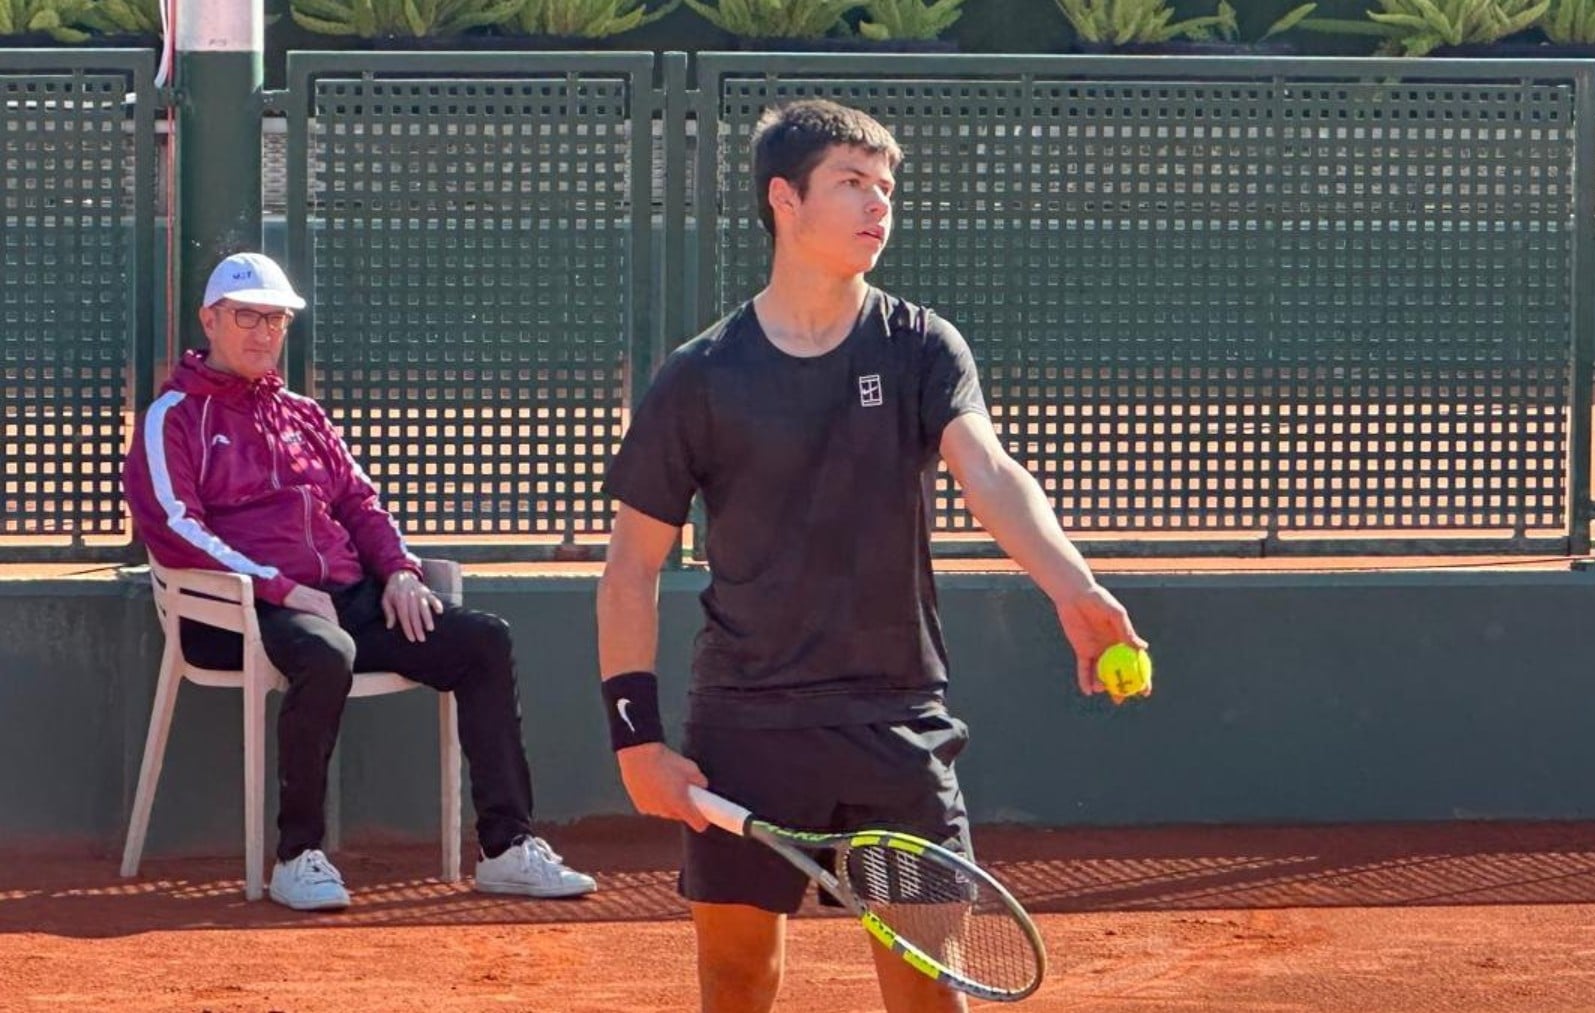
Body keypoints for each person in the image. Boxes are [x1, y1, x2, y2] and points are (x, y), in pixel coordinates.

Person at [596, 100, 1147, 1012]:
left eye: (885, 187)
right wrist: (636, 740)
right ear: (784, 198)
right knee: (735, 982)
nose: (877, 205)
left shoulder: (921, 346)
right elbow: (630, 567)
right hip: (746, 728)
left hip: (895, 726)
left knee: (929, 990)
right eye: (851, 183)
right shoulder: (698, 377)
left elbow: (992, 471)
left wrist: (1074, 588)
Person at [122, 252, 598, 911]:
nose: (263, 332)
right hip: (243, 612)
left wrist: (399, 572)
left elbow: (362, 505)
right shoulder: (172, 417)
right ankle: (298, 856)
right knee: (326, 652)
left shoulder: (305, 416)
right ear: (210, 318)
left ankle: (507, 847)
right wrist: (278, 586)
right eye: (247, 316)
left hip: (347, 598)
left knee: (482, 640)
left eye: (276, 319)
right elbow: (173, 526)